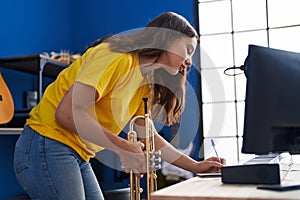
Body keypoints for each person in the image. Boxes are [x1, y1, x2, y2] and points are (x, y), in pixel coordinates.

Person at [13, 12, 226, 200]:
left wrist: (196, 166)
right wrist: (123, 148)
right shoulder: (114, 56)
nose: (189, 61)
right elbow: (67, 114)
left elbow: (148, 135)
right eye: (188, 49)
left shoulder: (144, 81)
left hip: (78, 154)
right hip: (47, 142)